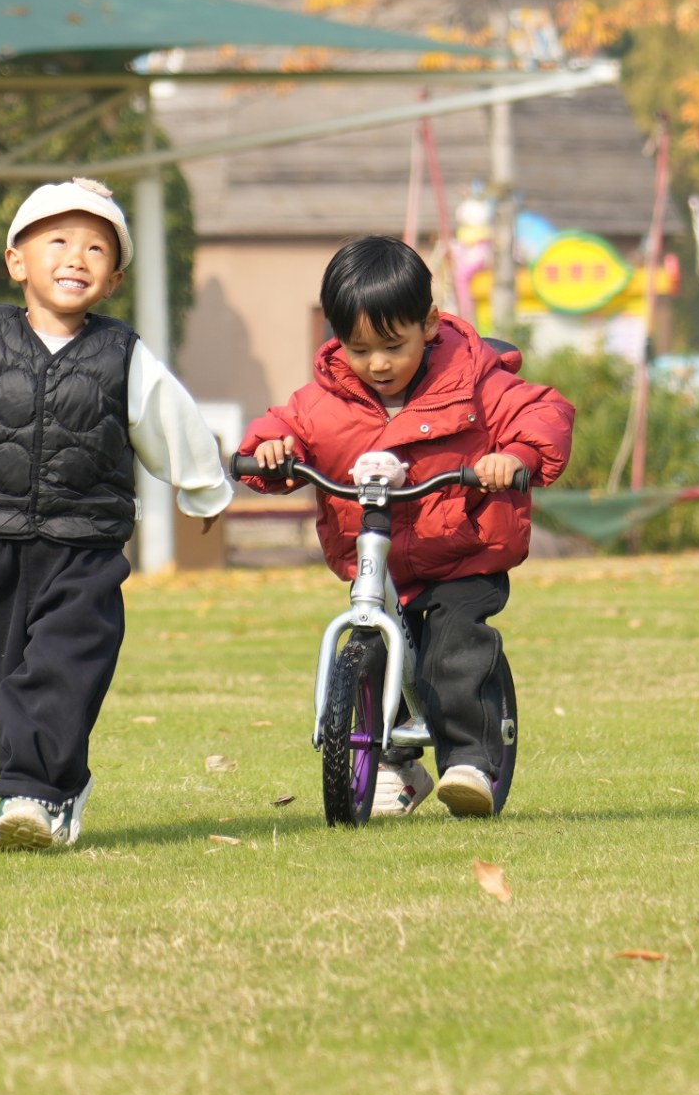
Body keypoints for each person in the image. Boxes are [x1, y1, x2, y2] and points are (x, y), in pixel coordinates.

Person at [0, 177, 234, 850]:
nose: (77, 257)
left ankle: (28, 795)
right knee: (0, 676)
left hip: (85, 543)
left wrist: (203, 489)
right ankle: (61, 784)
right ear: (17, 261)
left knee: (63, 661)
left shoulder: (121, 354)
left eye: (97, 249)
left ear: (113, 280)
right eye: (58, 241)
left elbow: (172, 419)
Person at [241, 235, 574, 817]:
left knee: (452, 652)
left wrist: (514, 458)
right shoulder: (326, 399)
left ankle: (471, 759)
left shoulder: (472, 380)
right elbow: (281, 428)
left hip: (461, 551)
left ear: (428, 324)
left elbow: (543, 413)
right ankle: (397, 766)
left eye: (392, 346)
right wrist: (272, 450)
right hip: (380, 557)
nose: (377, 364)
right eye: (358, 348)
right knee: (373, 653)